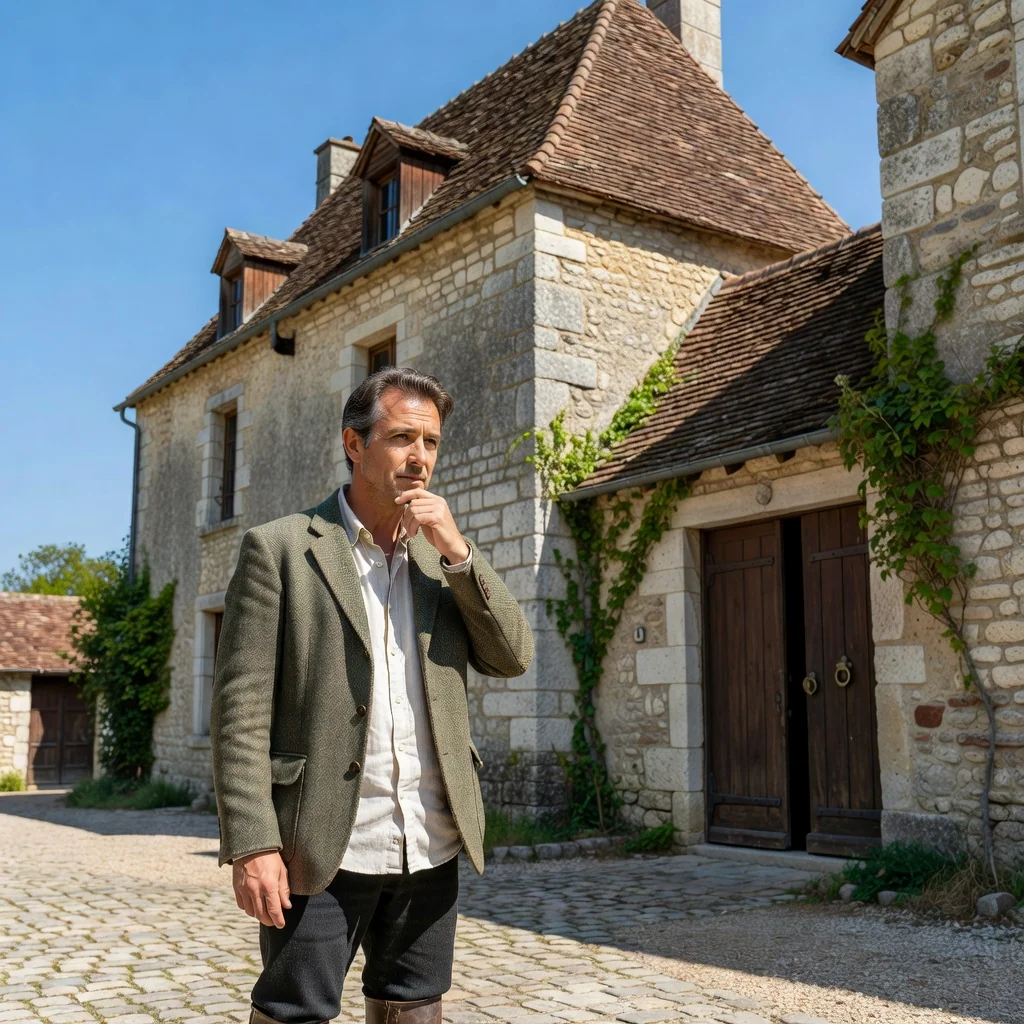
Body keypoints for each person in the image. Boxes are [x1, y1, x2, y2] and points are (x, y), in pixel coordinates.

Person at [211, 366, 534, 1024]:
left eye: (432, 442)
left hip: (429, 836)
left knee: (414, 1006)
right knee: (292, 1009)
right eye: (401, 438)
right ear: (354, 445)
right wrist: (252, 844)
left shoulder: (441, 564)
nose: (420, 458)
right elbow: (240, 715)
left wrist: (458, 552)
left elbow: (511, 656)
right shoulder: (279, 550)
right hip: (322, 843)